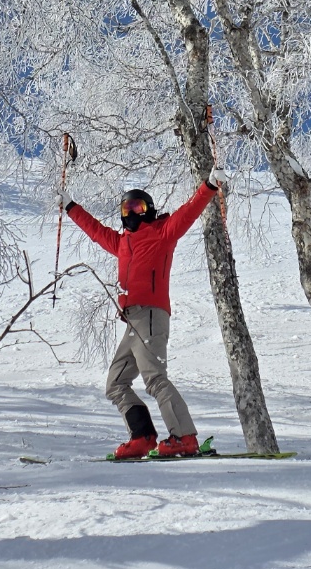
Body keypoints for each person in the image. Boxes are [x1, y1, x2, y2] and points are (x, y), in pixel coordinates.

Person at [62, 170, 226, 459]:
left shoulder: (162, 233)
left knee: (154, 378)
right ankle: (142, 437)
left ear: (149, 211)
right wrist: (70, 207)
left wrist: (209, 186)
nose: (134, 213)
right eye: (128, 208)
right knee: (116, 383)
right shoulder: (122, 242)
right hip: (132, 321)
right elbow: (97, 231)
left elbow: (188, 213)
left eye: (139, 207)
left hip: (151, 315)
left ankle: (184, 437)